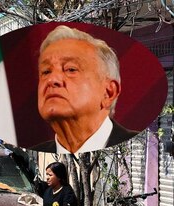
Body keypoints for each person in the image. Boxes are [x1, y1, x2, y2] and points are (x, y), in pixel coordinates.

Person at [32, 25, 139, 154]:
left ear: (108, 92)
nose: (52, 80)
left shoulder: (135, 146)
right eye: (46, 71)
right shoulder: (35, 152)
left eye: (70, 69)